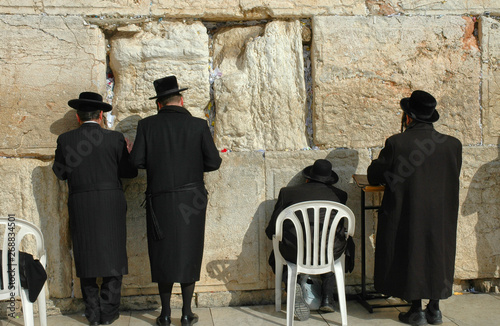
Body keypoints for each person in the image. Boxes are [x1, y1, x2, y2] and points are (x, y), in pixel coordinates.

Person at [130, 76, 222, 326]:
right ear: (181, 99)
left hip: (160, 201)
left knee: (163, 254)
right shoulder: (198, 125)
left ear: (158, 104)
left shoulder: (147, 126)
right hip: (192, 199)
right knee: (188, 251)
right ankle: (186, 312)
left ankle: (165, 314)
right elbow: (214, 162)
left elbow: (136, 162)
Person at [367, 90, 462, 326]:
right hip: (441, 214)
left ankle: (416, 309)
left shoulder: (397, 143)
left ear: (408, 118)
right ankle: (435, 309)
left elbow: (375, 175)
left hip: (408, 211)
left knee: (411, 253)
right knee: (437, 253)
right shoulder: (452, 145)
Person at [52, 92, 138, 326]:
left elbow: (59, 173)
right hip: (111, 202)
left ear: (79, 117)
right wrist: (127, 153)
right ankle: (108, 313)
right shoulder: (115, 139)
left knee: (86, 256)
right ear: (101, 115)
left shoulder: (65, 140)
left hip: (81, 203)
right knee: (113, 255)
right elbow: (129, 172)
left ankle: (92, 314)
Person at [265, 159, 351, 321]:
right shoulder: (340, 195)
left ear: (307, 178)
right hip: (329, 254)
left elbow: (272, 229)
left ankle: (292, 285)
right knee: (329, 244)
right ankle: (327, 297)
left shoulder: (287, 193)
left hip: (295, 253)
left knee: (276, 252)